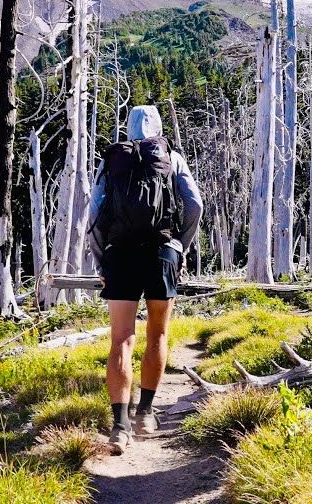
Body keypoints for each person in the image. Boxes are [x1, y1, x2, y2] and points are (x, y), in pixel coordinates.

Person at [87, 105, 203, 455]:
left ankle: (119, 427)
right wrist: (179, 247)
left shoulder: (113, 162)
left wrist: (102, 262)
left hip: (120, 254)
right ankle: (146, 412)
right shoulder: (172, 159)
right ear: (158, 127)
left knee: (121, 339)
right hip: (161, 253)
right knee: (158, 333)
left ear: (129, 128)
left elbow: (92, 215)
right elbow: (195, 205)